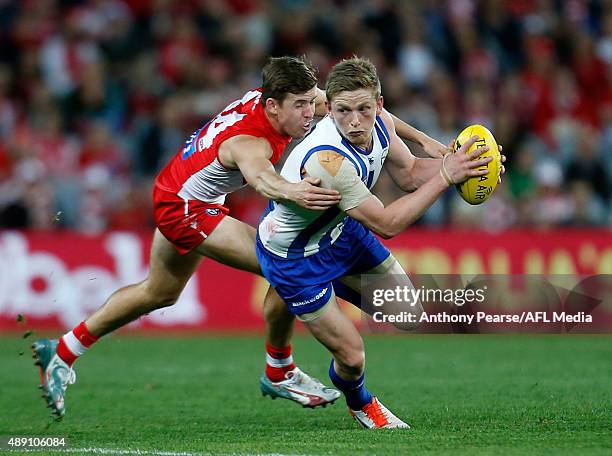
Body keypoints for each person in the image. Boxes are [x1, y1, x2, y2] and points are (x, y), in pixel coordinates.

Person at [31, 56, 453, 420]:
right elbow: (263, 180)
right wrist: (295, 191)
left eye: (313, 102)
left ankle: (64, 350)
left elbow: (364, 109)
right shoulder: (249, 142)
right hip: (187, 209)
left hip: (176, 189)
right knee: (284, 260)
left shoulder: (283, 100)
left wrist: (424, 141)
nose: (314, 112)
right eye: (304, 106)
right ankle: (279, 370)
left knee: (158, 293)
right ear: (274, 105)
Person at [256, 57, 499, 429]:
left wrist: (473, 164)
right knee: (353, 358)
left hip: (338, 233)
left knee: (408, 315)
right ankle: (361, 404)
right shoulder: (327, 160)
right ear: (330, 109)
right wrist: (448, 175)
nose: (354, 120)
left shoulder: (382, 124)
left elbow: (412, 173)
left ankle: (294, 300)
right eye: (342, 111)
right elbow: (386, 223)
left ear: (380, 106)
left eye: (363, 109)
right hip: (297, 258)